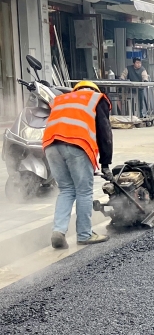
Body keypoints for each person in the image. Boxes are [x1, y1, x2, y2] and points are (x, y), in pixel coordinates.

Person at [42, 80, 113, 248]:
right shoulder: (96, 98)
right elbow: (105, 133)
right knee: (83, 191)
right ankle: (84, 234)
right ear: (94, 90)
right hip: (76, 144)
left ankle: (58, 231)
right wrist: (105, 164)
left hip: (51, 145)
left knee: (66, 189)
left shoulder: (62, 99)